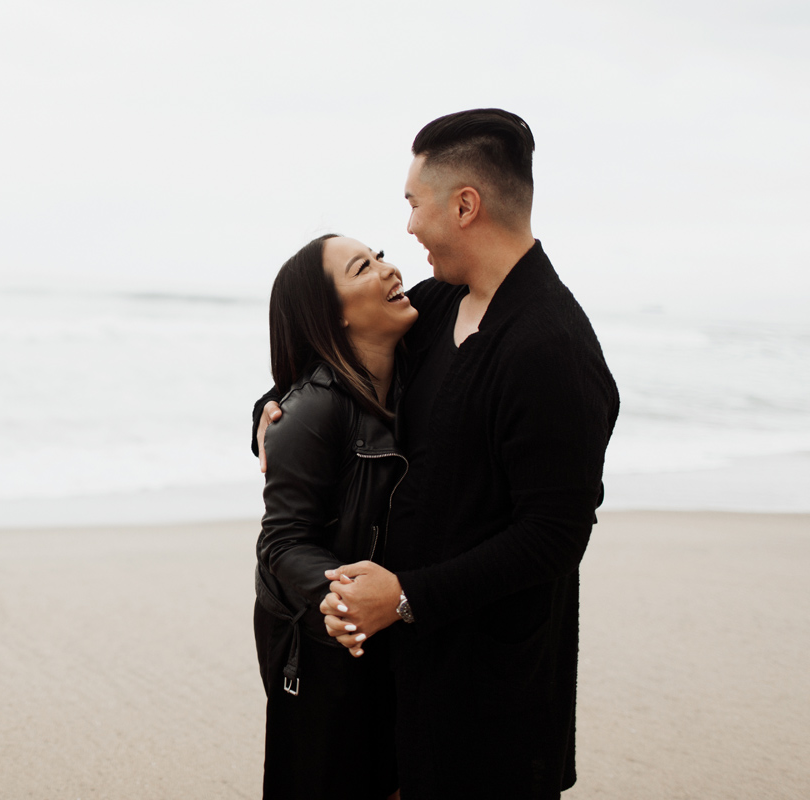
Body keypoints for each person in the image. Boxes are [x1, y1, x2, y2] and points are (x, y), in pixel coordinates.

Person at [253, 109, 620, 799]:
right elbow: (338, 351)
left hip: (495, 687)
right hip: (409, 674)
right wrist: (270, 412)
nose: (410, 228)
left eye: (414, 205)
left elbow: (555, 536)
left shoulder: (551, 349)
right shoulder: (439, 306)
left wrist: (409, 596)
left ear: (465, 205)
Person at [253, 232, 418, 799]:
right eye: (362, 268)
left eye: (378, 255)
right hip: (321, 638)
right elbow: (280, 542)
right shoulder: (312, 409)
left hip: (390, 622)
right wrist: (341, 593)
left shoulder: (415, 376)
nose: (389, 268)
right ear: (335, 316)